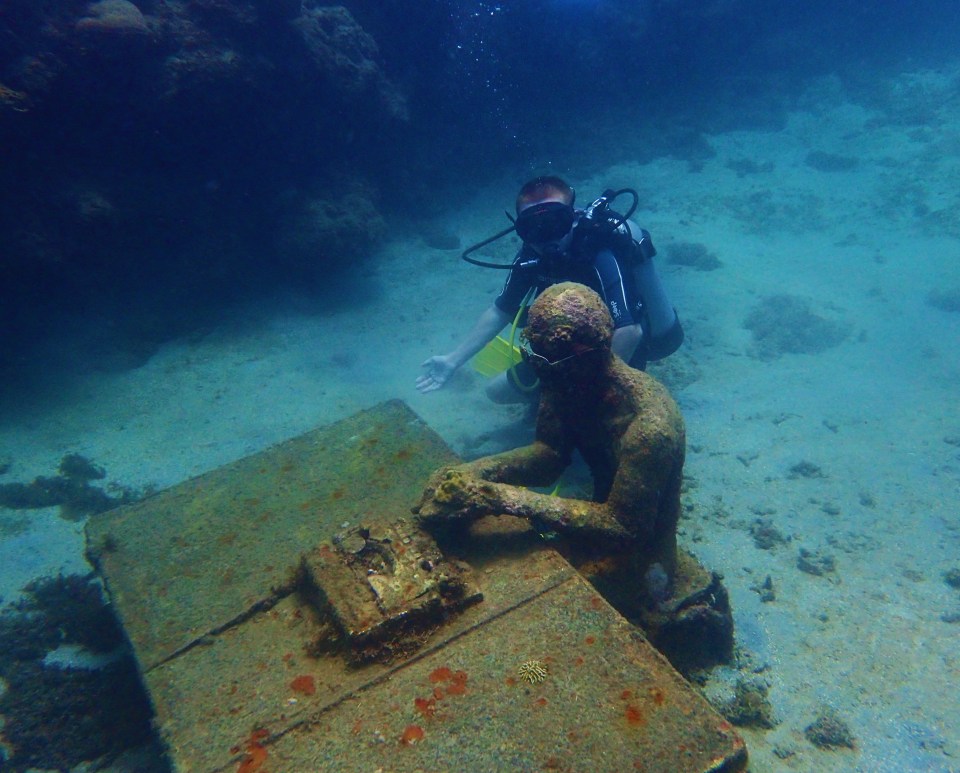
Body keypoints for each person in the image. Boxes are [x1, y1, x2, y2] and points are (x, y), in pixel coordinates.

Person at [416, 282, 685, 580]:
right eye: (534, 352)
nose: (540, 369)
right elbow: (548, 457)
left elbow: (624, 526)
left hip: (641, 562)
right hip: (597, 523)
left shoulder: (649, 422)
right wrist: (469, 475)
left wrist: (494, 497)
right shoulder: (565, 376)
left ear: (588, 353)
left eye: (547, 358)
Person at [416, 175, 684, 403]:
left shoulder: (599, 248)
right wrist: (453, 360)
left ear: (573, 215)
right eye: (533, 227)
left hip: (634, 342)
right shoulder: (531, 256)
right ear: (520, 228)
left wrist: (589, 393)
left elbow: (630, 330)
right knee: (495, 392)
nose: (547, 237)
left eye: (556, 222)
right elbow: (501, 310)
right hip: (577, 341)